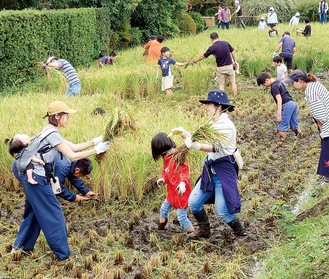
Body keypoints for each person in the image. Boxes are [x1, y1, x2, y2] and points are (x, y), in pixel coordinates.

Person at [11, 101, 110, 260]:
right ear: (57, 116)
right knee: (53, 214)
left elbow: (73, 147)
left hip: (25, 170)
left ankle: (20, 248)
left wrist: (94, 141)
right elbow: (72, 156)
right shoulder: (52, 134)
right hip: (34, 175)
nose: (68, 118)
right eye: (66, 115)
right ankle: (64, 255)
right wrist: (96, 150)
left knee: (35, 212)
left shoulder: (50, 131)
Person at [180, 90, 246, 238]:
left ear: (219, 106)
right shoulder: (212, 122)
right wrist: (189, 136)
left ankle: (239, 230)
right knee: (194, 202)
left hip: (224, 169)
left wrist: (194, 145)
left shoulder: (226, 126)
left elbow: (216, 148)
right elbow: (202, 139)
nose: (206, 107)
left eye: (209, 104)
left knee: (222, 211)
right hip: (211, 170)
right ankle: (204, 231)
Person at [284, 70, 329, 189]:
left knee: (327, 149)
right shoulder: (313, 85)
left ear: (300, 81)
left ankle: (326, 179)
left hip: (327, 122)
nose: (292, 86)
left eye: (293, 83)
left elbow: (322, 115)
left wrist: (320, 123)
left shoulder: (311, 92)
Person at [151, 132, 195, 234]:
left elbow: (185, 171)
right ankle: (161, 227)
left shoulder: (178, 156)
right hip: (172, 194)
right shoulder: (166, 158)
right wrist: (163, 179)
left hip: (181, 193)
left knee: (182, 217)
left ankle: (192, 233)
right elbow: (165, 172)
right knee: (163, 209)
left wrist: (183, 183)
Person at [188, 32, 238, 97]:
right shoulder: (226, 43)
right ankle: (235, 96)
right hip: (229, 66)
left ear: (211, 39)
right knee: (233, 82)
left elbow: (202, 57)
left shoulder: (212, 47)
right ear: (218, 37)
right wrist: (235, 61)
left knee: (221, 84)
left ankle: (222, 98)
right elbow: (233, 51)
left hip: (220, 68)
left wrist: (194, 61)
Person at [256, 72, 301, 142]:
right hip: (292, 103)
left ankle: (282, 144)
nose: (264, 86)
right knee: (294, 126)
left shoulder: (274, 87)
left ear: (266, 81)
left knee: (281, 128)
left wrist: (279, 113)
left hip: (286, 105)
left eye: (263, 84)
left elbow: (279, 99)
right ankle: (300, 138)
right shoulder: (278, 81)